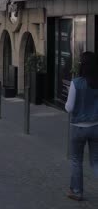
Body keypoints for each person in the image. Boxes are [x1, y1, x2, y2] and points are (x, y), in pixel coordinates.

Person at [65, 51, 98, 201]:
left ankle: (77, 191)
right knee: (95, 162)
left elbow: (69, 108)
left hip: (79, 127)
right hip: (96, 126)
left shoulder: (76, 82)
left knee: (77, 160)